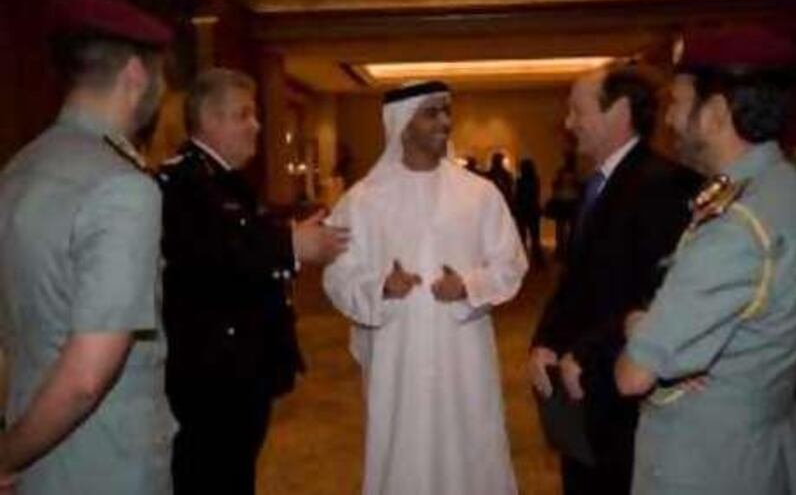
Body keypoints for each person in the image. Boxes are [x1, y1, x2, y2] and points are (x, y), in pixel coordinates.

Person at [0, 0, 174, 494]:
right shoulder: (122, 186)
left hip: (36, 446)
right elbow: (85, 378)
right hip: (107, 464)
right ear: (137, 75)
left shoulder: (19, 168)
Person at [615, 26, 796, 495]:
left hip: (705, 464)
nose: (670, 121)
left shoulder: (737, 225)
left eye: (677, 103)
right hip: (765, 447)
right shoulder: (785, 191)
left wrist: (638, 323)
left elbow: (633, 375)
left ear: (716, 114)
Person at [323, 81, 527, 495]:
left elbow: (511, 264)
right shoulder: (362, 201)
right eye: (431, 113)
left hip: (464, 358)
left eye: (447, 111)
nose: (445, 122)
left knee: (471, 447)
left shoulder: (480, 195)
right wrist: (381, 286)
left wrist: (468, 285)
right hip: (398, 361)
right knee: (403, 452)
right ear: (402, 124)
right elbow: (336, 275)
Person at [157, 68, 349, 495]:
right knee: (212, 478)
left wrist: (287, 243)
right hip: (211, 378)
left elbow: (239, 247)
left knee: (235, 476)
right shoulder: (184, 183)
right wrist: (291, 246)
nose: (256, 125)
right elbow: (207, 261)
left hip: (238, 371)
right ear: (209, 119)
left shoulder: (223, 180)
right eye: (244, 115)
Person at [528, 65, 700, 495]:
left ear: (619, 111)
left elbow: (659, 297)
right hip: (580, 391)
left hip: (623, 391)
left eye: (577, 110)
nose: (568, 124)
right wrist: (544, 341)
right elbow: (576, 280)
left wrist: (588, 351)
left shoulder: (664, 185)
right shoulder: (601, 183)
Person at [514, 158, 546, 269]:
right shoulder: (535, 180)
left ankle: (522, 263)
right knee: (535, 238)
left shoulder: (520, 181)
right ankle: (538, 262)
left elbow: (518, 196)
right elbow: (535, 195)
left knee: (522, 238)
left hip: (522, 211)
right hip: (532, 210)